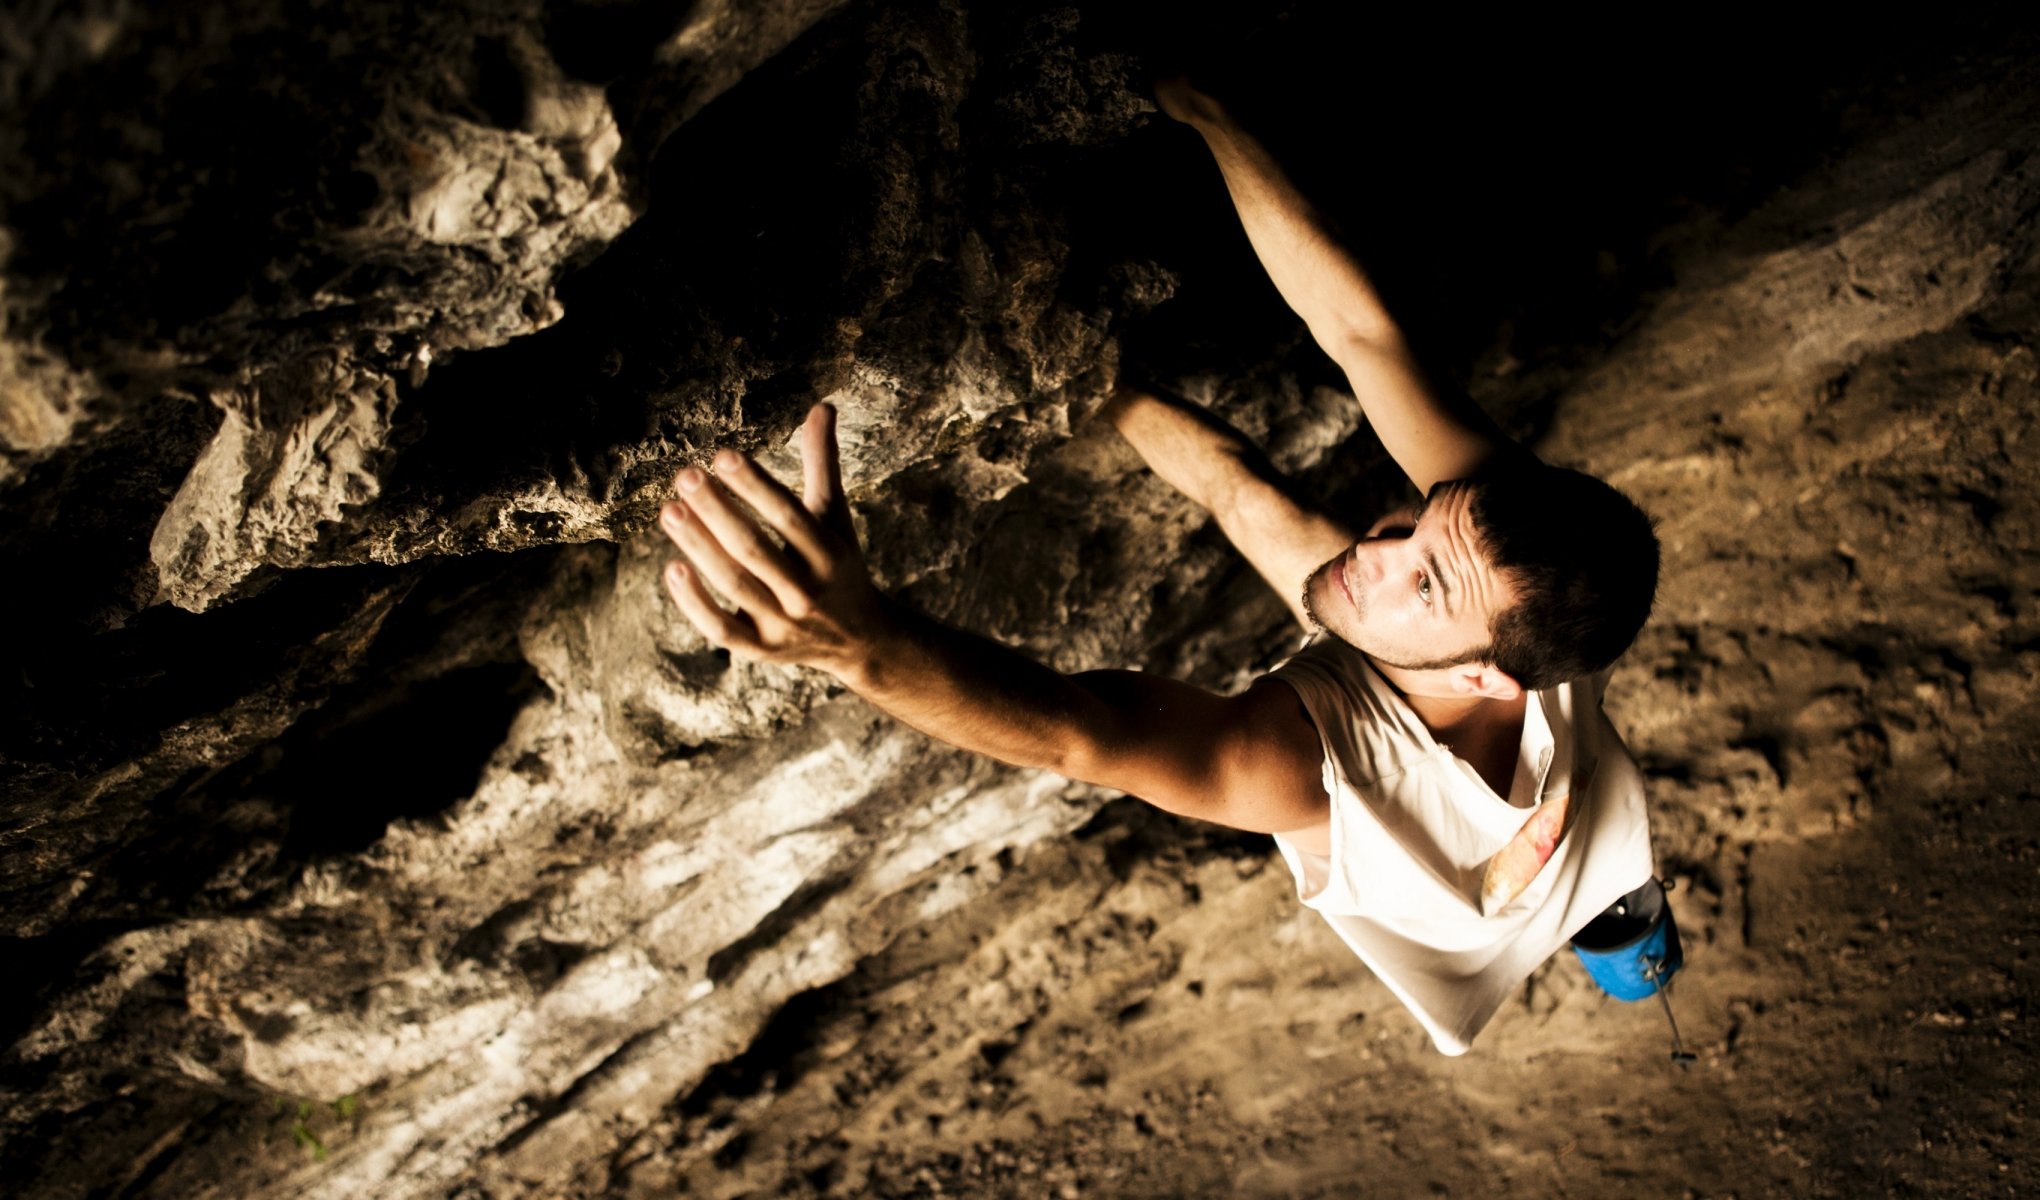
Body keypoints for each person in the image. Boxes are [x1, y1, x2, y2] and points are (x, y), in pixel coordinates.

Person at [655, 77, 1661, 1055]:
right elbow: (1357, 336)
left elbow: (1082, 735)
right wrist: (1208, 107)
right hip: (1558, 774)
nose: (1378, 550)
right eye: (1410, 527)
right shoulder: (1509, 564)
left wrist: (858, 642)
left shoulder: (1318, 776)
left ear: (1485, 675)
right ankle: (1621, 911)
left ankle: (1627, 929)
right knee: (1261, 505)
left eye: (1423, 581)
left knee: (1610, 891)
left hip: (1482, 911)